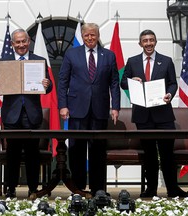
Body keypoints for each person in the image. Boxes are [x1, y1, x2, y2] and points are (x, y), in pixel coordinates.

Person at [120, 29, 188, 198]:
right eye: (145, 40)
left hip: (163, 115)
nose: (148, 43)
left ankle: (173, 189)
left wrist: (170, 95)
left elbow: (173, 83)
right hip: (143, 115)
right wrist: (130, 81)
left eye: (151, 40)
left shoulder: (166, 61)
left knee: (167, 154)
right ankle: (151, 189)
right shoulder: (132, 61)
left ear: (155, 42)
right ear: (140, 43)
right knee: (149, 155)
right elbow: (122, 83)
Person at [57, 23, 120, 196]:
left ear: (98, 35)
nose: (90, 38)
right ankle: (77, 188)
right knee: (76, 150)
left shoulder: (108, 55)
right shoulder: (71, 54)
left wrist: (115, 107)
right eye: (87, 36)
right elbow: (63, 81)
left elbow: (114, 82)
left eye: (93, 35)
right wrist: (63, 105)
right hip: (77, 109)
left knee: (98, 150)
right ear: (82, 36)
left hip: (99, 109)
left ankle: (98, 188)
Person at [0, 28, 52, 198]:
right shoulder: (5, 62)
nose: (21, 45)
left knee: (33, 154)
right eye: (17, 42)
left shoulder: (39, 61)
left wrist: (47, 84)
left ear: (28, 42)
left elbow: (48, 89)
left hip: (32, 115)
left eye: (23, 41)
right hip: (12, 115)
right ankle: (10, 189)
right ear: (12, 44)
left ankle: (33, 189)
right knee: (13, 155)